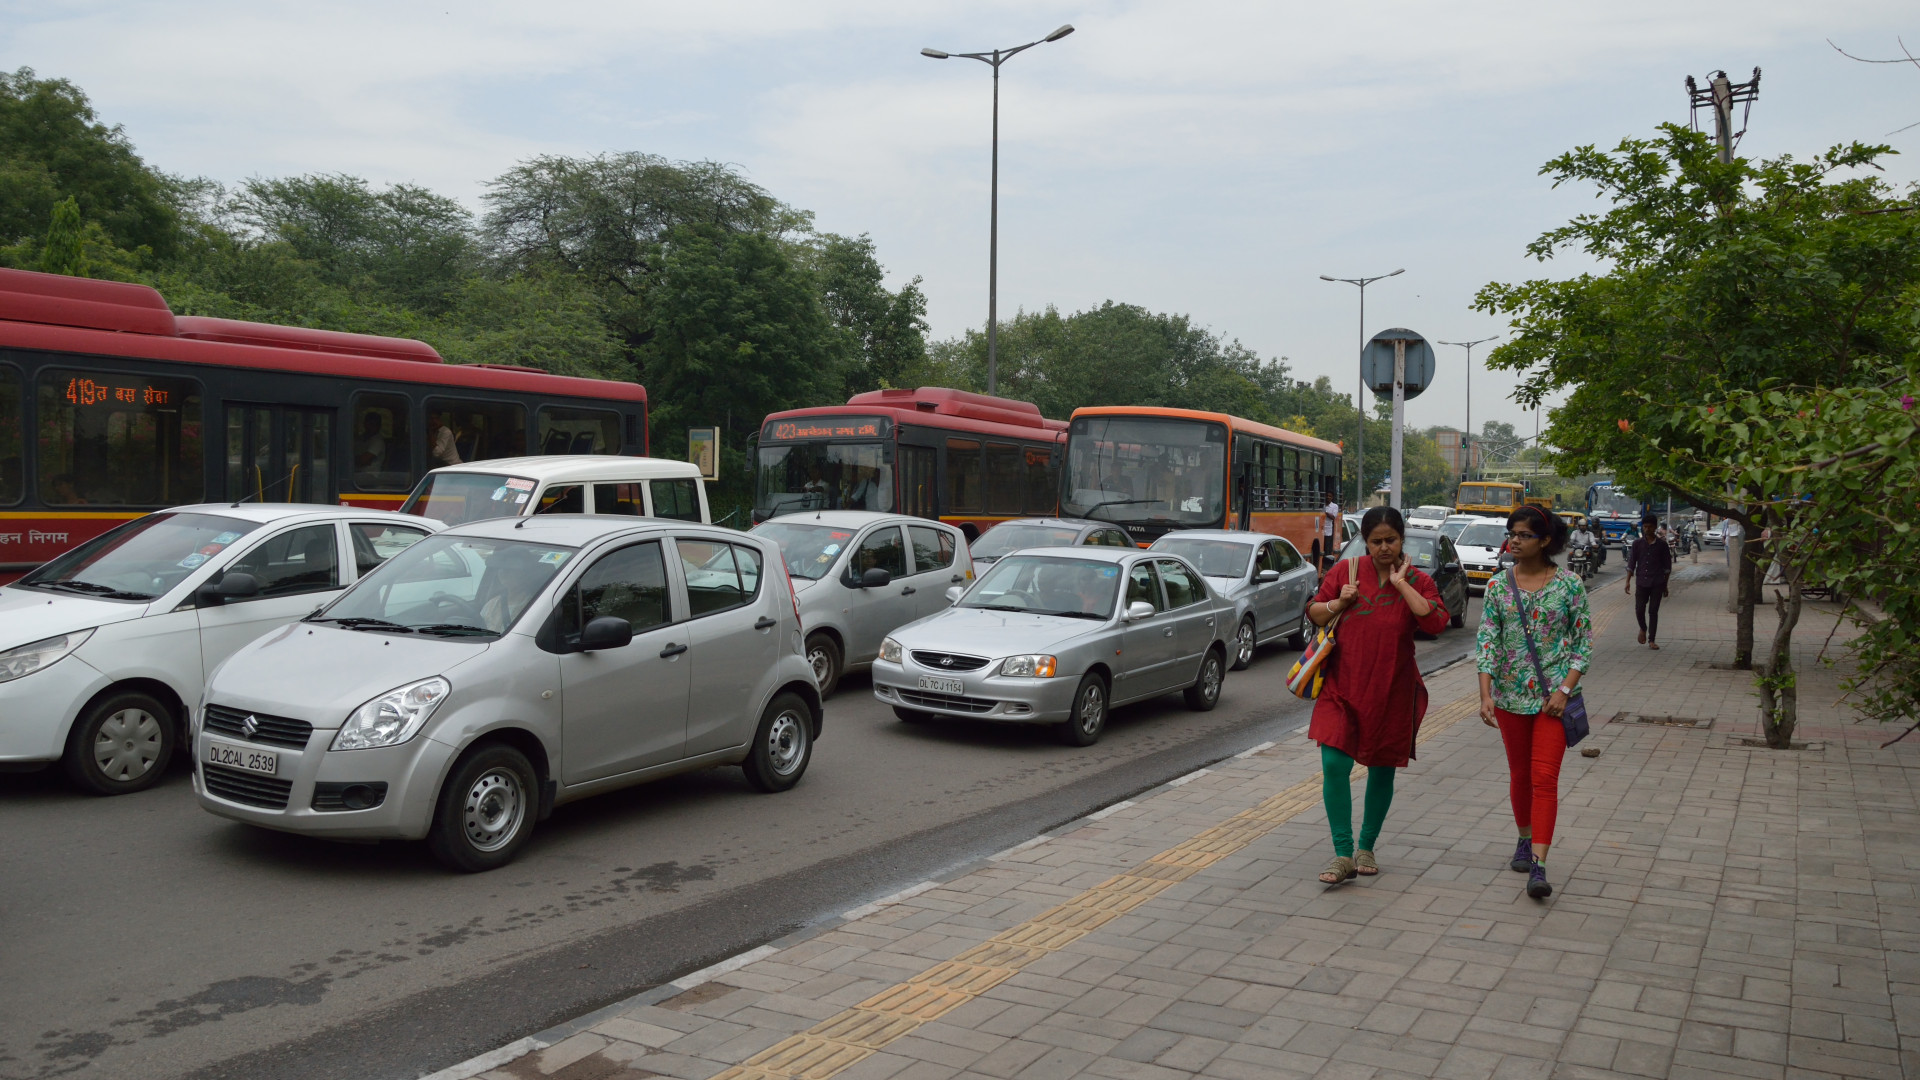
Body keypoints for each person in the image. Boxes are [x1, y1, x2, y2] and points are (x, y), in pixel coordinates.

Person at [1304, 506, 1451, 885]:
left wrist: (1401, 584)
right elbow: (1314, 612)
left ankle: (1367, 846)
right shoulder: (1345, 573)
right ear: (1365, 542)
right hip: (1341, 688)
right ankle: (1342, 853)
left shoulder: (1418, 579)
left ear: (1403, 539)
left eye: (1391, 540)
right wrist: (1340, 602)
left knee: (1381, 769)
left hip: (1392, 690)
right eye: (1375, 541)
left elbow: (1435, 621)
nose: (1383, 548)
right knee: (1334, 766)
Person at [1477, 504, 1592, 900]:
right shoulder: (1497, 587)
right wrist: (1485, 694)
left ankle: (1539, 865)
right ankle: (1523, 839)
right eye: (1512, 532)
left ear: (1545, 540)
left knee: (1544, 779)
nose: (1515, 539)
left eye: (1524, 534)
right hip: (1510, 700)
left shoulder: (1570, 586)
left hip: (1553, 703)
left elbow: (1583, 645)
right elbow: (1488, 643)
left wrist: (1565, 690)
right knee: (1520, 775)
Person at [1625, 513, 1673, 649]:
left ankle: (1652, 639)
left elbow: (1667, 567)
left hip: (1657, 582)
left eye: (1650, 527)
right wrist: (1627, 581)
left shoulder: (1662, 545)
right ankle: (1643, 628)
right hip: (1641, 581)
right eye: (1645, 527)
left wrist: (1665, 585)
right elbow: (1631, 563)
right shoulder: (1637, 544)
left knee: (1653, 611)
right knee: (1639, 609)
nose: (1647, 529)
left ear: (1655, 527)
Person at [1320, 497, 1342, 572]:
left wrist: (1325, 512)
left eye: (1330, 496)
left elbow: (1333, 517)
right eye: (1327, 496)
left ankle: (1326, 567)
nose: (1328, 498)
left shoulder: (1334, 506)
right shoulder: (1322, 505)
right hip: (1320, 530)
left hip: (1328, 530)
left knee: (1327, 549)